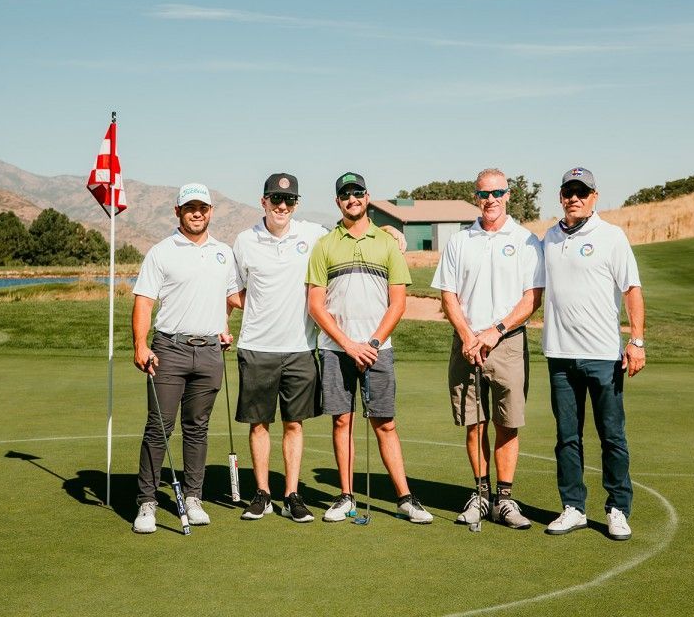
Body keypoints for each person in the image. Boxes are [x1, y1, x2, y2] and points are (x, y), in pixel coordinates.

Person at [306, 171, 433, 524]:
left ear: (367, 196)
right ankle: (346, 496)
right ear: (338, 201)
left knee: (385, 424)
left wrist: (372, 343)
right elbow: (316, 304)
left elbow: (398, 303)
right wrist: (348, 345)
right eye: (346, 194)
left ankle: (405, 498)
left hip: (378, 349)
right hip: (336, 349)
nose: (352, 199)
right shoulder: (325, 244)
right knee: (342, 421)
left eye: (358, 192)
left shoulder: (387, 243)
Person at [431, 168, 544, 529]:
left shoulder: (526, 240)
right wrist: (467, 334)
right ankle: (480, 494)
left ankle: (504, 501)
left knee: (507, 424)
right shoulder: (460, 241)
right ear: (475, 198)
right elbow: (448, 295)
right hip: (466, 343)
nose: (490, 200)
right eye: (483, 194)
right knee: (474, 422)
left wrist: (495, 331)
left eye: (497, 193)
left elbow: (532, 298)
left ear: (508, 194)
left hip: (507, 343)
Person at [541, 167, 646, 541]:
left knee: (612, 436)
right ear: (560, 196)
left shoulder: (611, 237)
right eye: (569, 191)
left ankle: (618, 508)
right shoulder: (548, 238)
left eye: (581, 191)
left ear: (594, 196)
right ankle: (573, 507)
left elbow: (631, 289)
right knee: (567, 437)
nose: (574, 197)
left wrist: (636, 340)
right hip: (559, 354)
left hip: (603, 354)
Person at [130, 183, 241, 534]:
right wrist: (139, 344)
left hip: (209, 352)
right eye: (190, 207)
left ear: (211, 211)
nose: (197, 213)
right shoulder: (161, 252)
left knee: (198, 428)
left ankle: (193, 497)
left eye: (203, 207)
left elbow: (232, 297)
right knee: (159, 428)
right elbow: (144, 302)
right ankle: (147, 503)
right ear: (177, 211)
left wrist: (223, 326)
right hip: (169, 350)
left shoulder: (224, 252)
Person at [230, 173, 327, 523]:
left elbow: (350, 236)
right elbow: (234, 291)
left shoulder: (314, 235)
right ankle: (262, 494)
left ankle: (292, 495)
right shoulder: (244, 240)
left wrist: (392, 233)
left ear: (296, 204)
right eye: (275, 199)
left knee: (294, 425)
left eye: (288, 200)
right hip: (257, 347)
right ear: (264, 201)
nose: (281, 206)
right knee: (259, 425)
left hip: (300, 348)